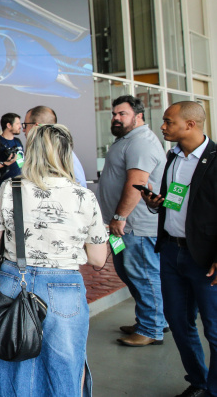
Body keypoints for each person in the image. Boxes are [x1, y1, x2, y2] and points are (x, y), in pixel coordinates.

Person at [0, 123, 107, 397]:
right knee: (64, 368)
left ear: (31, 152)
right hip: (65, 288)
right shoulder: (83, 196)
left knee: (13, 361)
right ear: (66, 154)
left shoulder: (11, 187)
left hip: (15, 282)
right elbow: (98, 258)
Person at [144, 101, 216, 397]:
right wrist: (155, 204)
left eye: (168, 121)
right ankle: (199, 382)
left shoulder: (215, 159)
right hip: (172, 253)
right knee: (177, 320)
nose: (162, 126)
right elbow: (178, 201)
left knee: (214, 330)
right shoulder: (173, 158)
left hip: (206, 259)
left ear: (190, 125)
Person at [97, 95, 167, 347]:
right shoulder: (127, 140)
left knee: (144, 277)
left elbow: (136, 184)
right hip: (124, 228)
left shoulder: (141, 142)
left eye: (122, 114)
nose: (115, 118)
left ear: (138, 116)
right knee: (131, 274)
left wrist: (119, 218)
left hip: (134, 227)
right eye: (114, 113)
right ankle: (151, 320)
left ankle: (151, 329)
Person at [23, 105, 87, 187]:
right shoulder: (64, 152)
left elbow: (80, 184)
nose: (23, 130)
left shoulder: (62, 153)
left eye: (25, 125)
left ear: (36, 126)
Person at [0, 113, 24, 195]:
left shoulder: (18, 141)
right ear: (9, 125)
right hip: (2, 188)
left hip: (19, 186)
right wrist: (4, 163)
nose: (20, 126)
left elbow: (21, 162)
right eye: (17, 124)